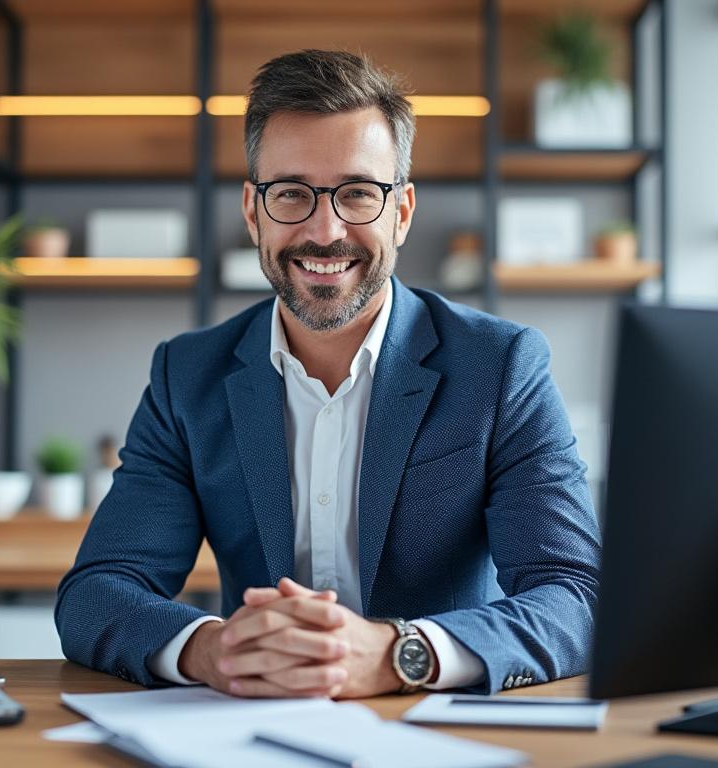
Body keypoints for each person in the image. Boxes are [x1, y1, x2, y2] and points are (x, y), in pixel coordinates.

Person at [56, 49, 601, 699]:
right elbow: (96, 592)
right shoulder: (188, 375)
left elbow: (578, 597)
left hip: (436, 727)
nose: (325, 230)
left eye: (357, 193)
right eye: (291, 193)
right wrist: (212, 649)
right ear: (253, 211)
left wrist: (405, 653)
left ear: (400, 211)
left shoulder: (501, 366)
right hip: (250, 727)